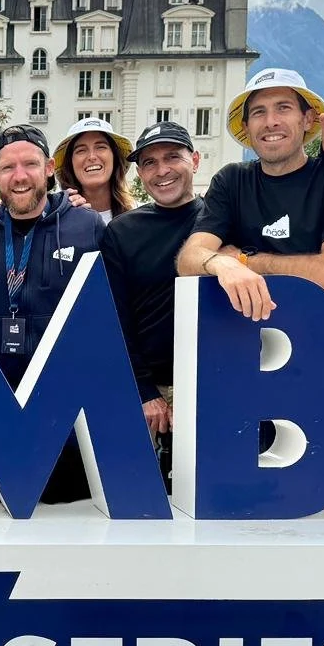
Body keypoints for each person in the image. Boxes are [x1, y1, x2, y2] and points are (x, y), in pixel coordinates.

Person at [174, 67, 324, 406]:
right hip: (251, 364)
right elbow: (189, 260)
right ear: (247, 127)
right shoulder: (232, 181)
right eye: (259, 112)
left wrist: (247, 260)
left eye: (283, 108)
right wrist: (222, 264)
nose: (271, 121)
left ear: (308, 119)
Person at [0, 123, 106, 503]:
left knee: (61, 506)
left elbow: (118, 311)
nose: (19, 177)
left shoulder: (87, 226)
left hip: (64, 405)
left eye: (30, 164)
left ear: (49, 168)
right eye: (7, 167)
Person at [99, 121, 203, 463]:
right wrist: (144, 391)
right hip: (148, 388)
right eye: (149, 163)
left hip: (213, 385)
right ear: (140, 174)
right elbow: (116, 318)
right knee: (141, 501)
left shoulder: (220, 219)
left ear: (195, 160)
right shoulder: (122, 231)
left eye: (173, 157)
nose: (162, 171)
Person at [53, 116, 135, 222]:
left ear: (115, 157)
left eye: (100, 147)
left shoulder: (138, 217)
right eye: (81, 150)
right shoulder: (56, 218)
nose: (92, 157)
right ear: (70, 163)